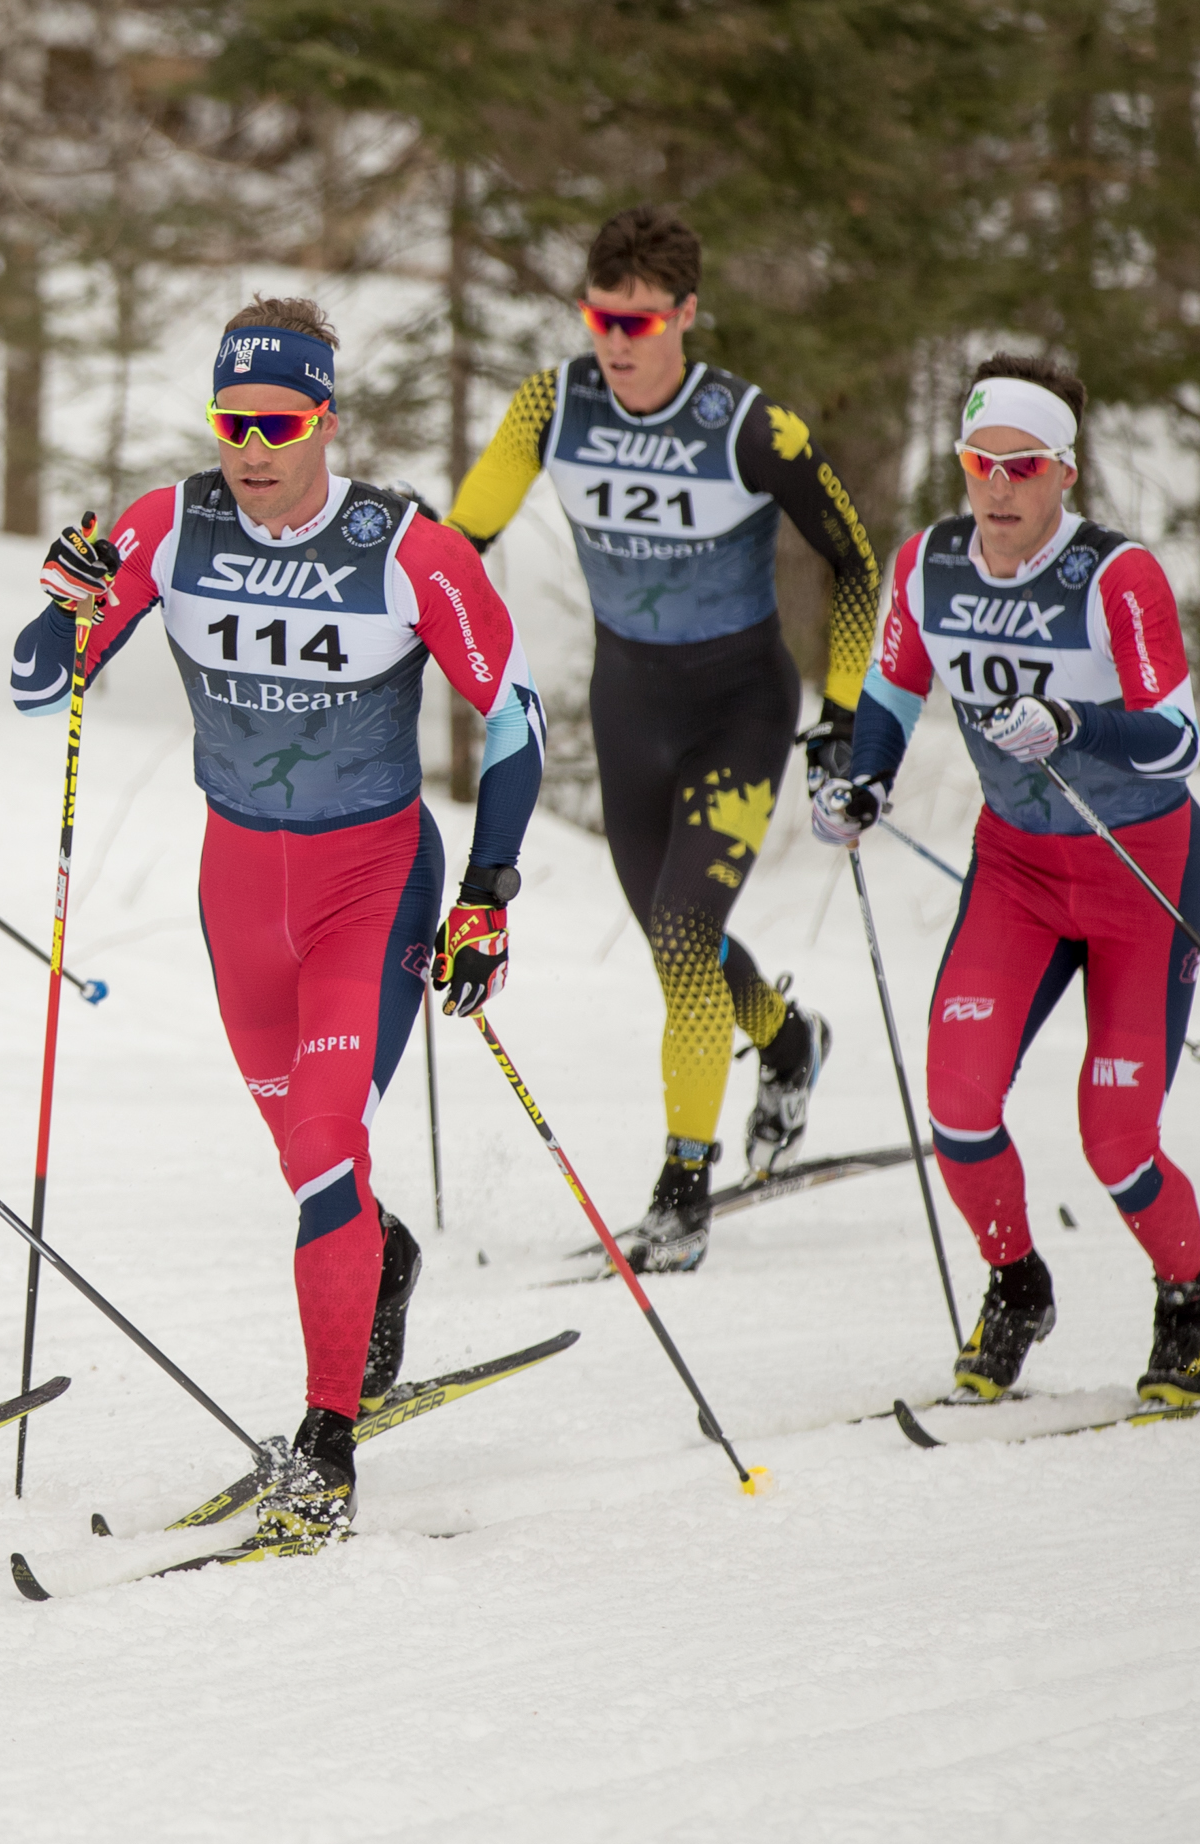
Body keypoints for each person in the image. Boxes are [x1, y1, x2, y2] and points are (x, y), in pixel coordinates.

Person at [11, 296, 541, 1538]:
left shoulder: (405, 548)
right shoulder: (164, 526)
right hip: (238, 889)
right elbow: (41, 687)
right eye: (231, 421)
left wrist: (485, 893)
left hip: (372, 882)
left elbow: (512, 717)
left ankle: (324, 1443)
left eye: (278, 424)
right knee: (310, 1164)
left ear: (324, 420)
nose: (250, 449)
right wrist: (60, 605)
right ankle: (379, 1255)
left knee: (322, 1145)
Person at [444, 205, 882, 1269]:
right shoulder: (551, 404)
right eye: (599, 317)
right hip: (627, 708)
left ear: (685, 314)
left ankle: (681, 1190)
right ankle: (787, 1039)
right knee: (677, 941)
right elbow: (459, 542)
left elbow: (854, 562)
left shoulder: (748, 426)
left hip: (737, 709)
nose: (613, 342)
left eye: (636, 323)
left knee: (685, 936)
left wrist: (843, 714)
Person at [812, 356, 1200, 1407]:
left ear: (1065, 473)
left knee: (1114, 1137)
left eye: (1024, 465)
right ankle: (1014, 1282)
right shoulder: (928, 565)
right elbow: (891, 689)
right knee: (956, 1100)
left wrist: (1072, 722)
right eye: (978, 462)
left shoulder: (1115, 576)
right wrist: (862, 783)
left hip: (1138, 870)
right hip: (1018, 869)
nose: (996, 487)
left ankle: (1187, 1302)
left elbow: (1179, 736)